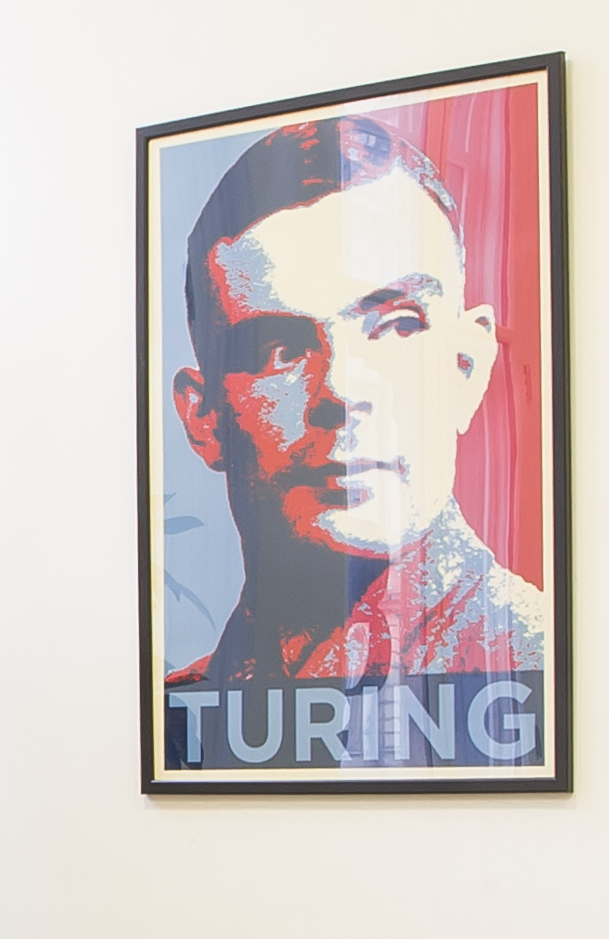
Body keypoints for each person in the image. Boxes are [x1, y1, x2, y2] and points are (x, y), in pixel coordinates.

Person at [161, 116, 549, 732]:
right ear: (203, 417)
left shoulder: (544, 664)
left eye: (397, 325)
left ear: (465, 369)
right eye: (276, 349)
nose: (341, 388)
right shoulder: (178, 722)